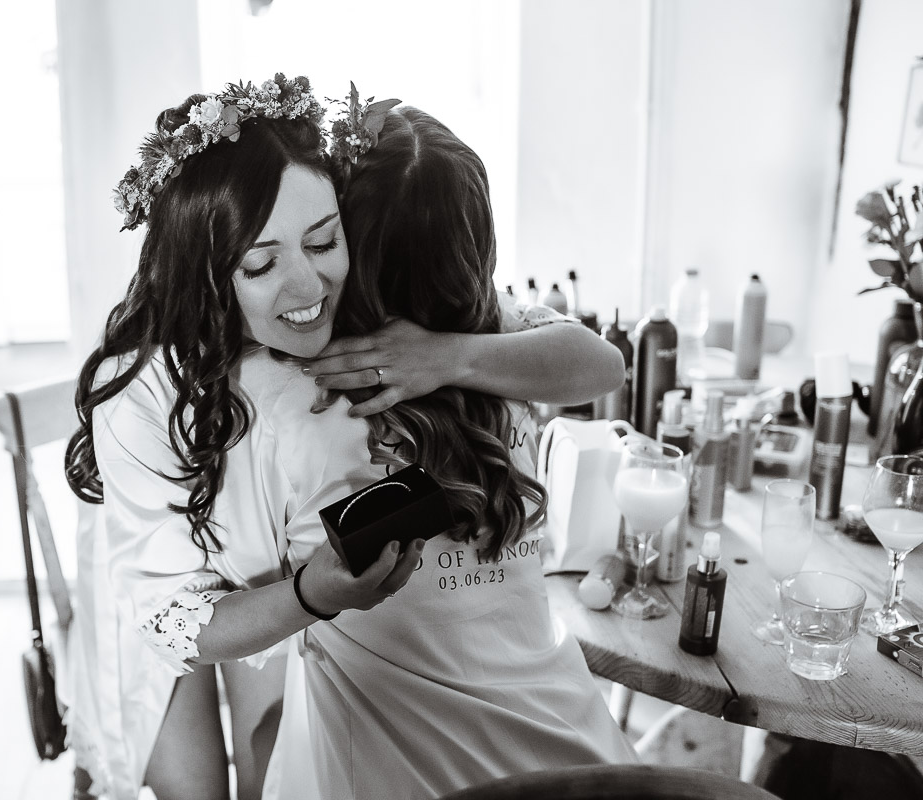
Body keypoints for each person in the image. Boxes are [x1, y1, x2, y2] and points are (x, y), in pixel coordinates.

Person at [64, 75, 624, 800]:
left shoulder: (440, 346)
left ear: (355, 239)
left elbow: (600, 362)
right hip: (527, 731)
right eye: (261, 263)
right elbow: (174, 621)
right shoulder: (220, 396)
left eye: (325, 241)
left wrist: (448, 355)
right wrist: (308, 596)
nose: (305, 286)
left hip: (434, 722)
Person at [209, 104, 639, 798]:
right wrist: (457, 355)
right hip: (562, 743)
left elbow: (604, 364)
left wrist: (446, 356)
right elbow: (603, 366)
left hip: (391, 770)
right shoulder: (503, 347)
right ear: (474, 250)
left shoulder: (284, 388)